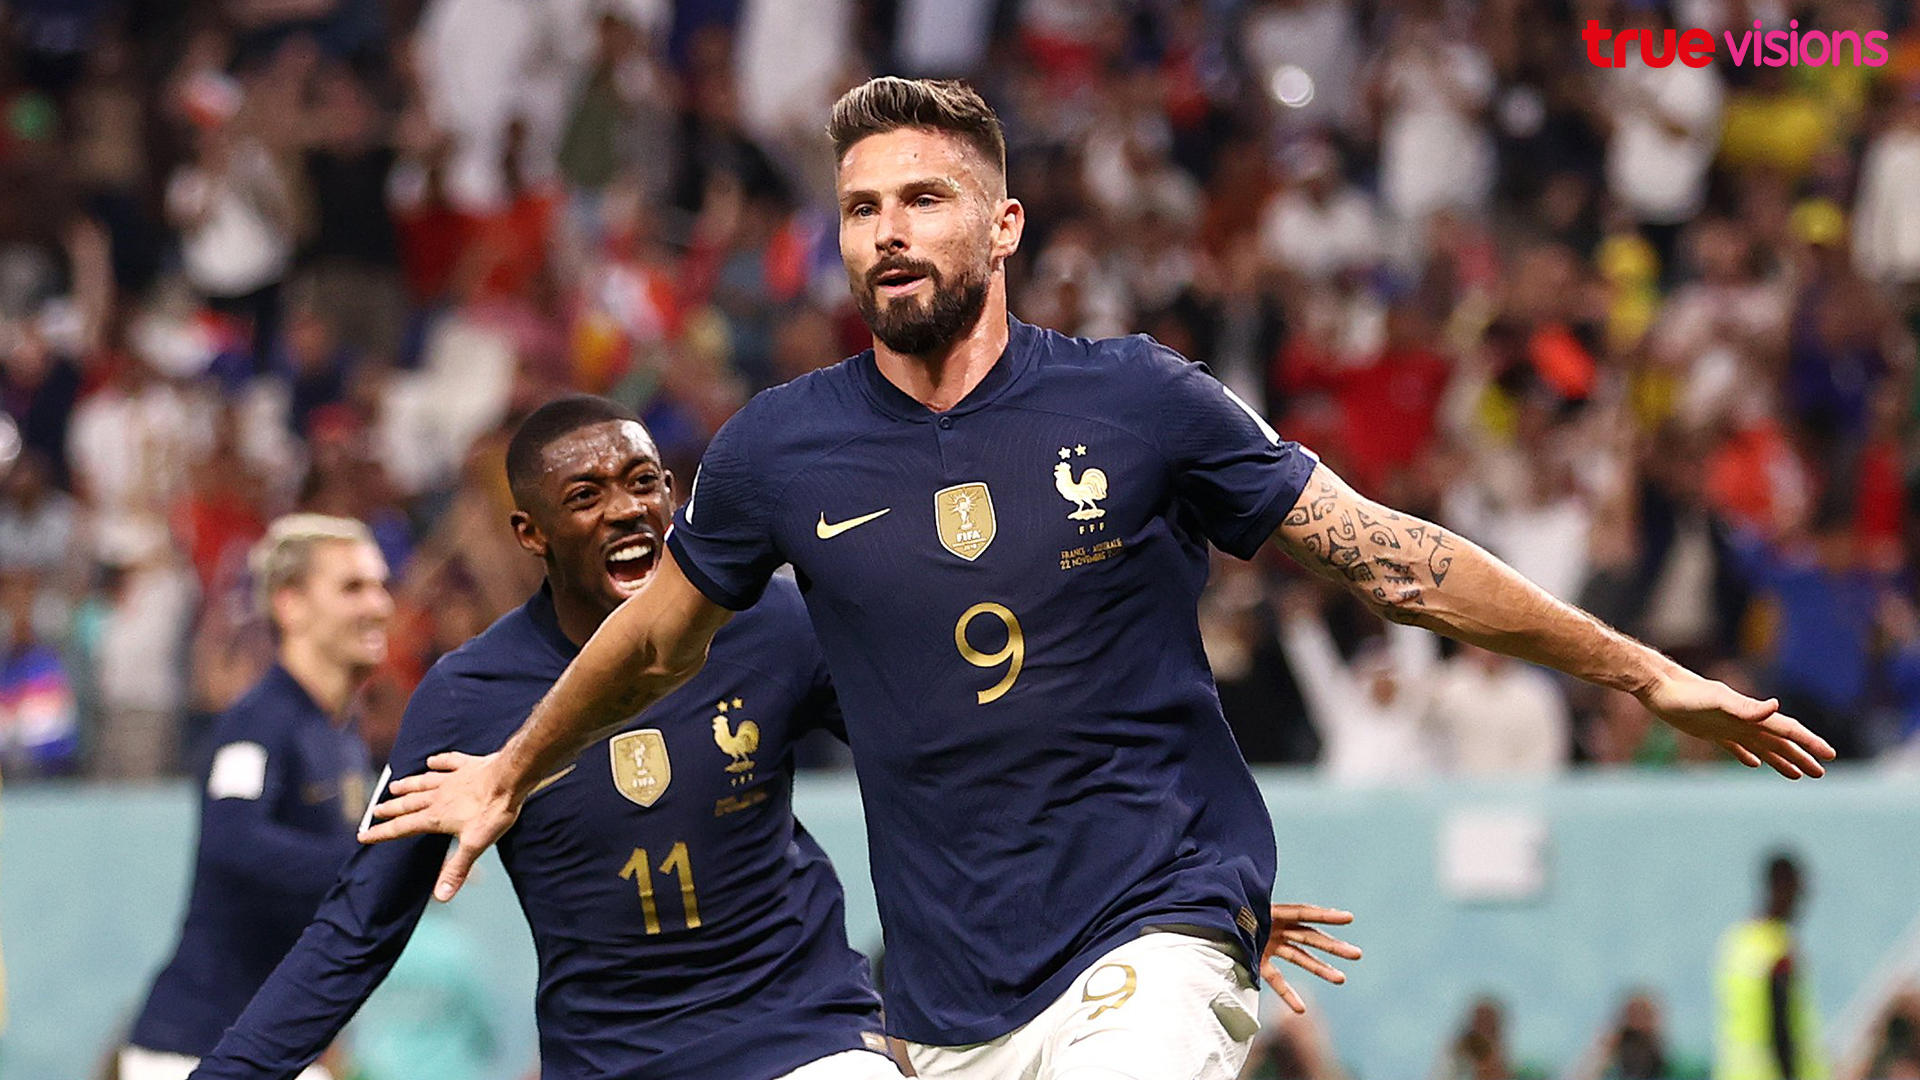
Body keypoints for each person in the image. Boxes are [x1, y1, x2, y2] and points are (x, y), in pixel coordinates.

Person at [364, 78, 1830, 1080]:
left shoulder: (1138, 402)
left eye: (925, 198)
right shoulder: (775, 452)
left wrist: (1647, 674)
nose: (889, 231)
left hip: (1155, 923)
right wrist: (512, 769)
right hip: (944, 998)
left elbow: (1400, 564)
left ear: (1003, 227)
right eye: (863, 207)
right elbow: (655, 646)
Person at [188, 397, 918, 1080]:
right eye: (585, 496)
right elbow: (357, 929)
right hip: (611, 1062)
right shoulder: (468, 698)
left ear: (672, 493)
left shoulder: (770, 622)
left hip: (800, 1034)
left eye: (642, 483)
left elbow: (926, 764)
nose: (625, 509)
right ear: (530, 533)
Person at [124, 515, 394, 1080]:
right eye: (353, 587)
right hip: (194, 1049)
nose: (379, 605)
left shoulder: (341, 734)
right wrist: (380, 861)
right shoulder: (257, 723)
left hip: (276, 1050)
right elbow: (234, 843)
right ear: (289, 605)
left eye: (380, 586)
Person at [1715, 853, 1828, 1080]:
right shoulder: (1779, 951)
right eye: (1797, 893)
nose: (1800, 904)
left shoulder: (1736, 942)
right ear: (1781, 887)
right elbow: (1780, 1028)